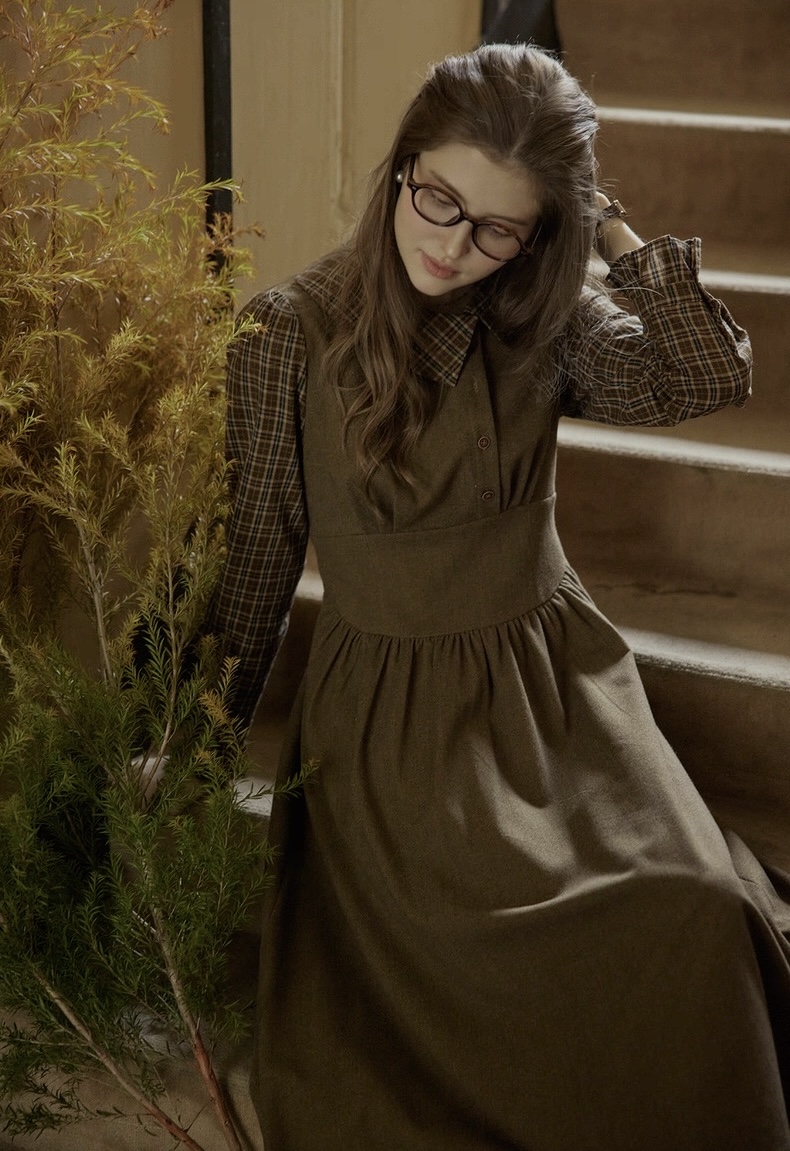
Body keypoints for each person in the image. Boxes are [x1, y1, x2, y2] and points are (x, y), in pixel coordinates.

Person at [209, 42, 790, 1151]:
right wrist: (188, 739)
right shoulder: (288, 331)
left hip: (555, 684)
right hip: (392, 721)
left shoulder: (542, 314)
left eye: (495, 228)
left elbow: (704, 374)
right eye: (437, 200)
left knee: (695, 903)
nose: (450, 245)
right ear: (402, 166)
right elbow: (254, 558)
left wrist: (606, 230)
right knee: (468, 948)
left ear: (538, 233)